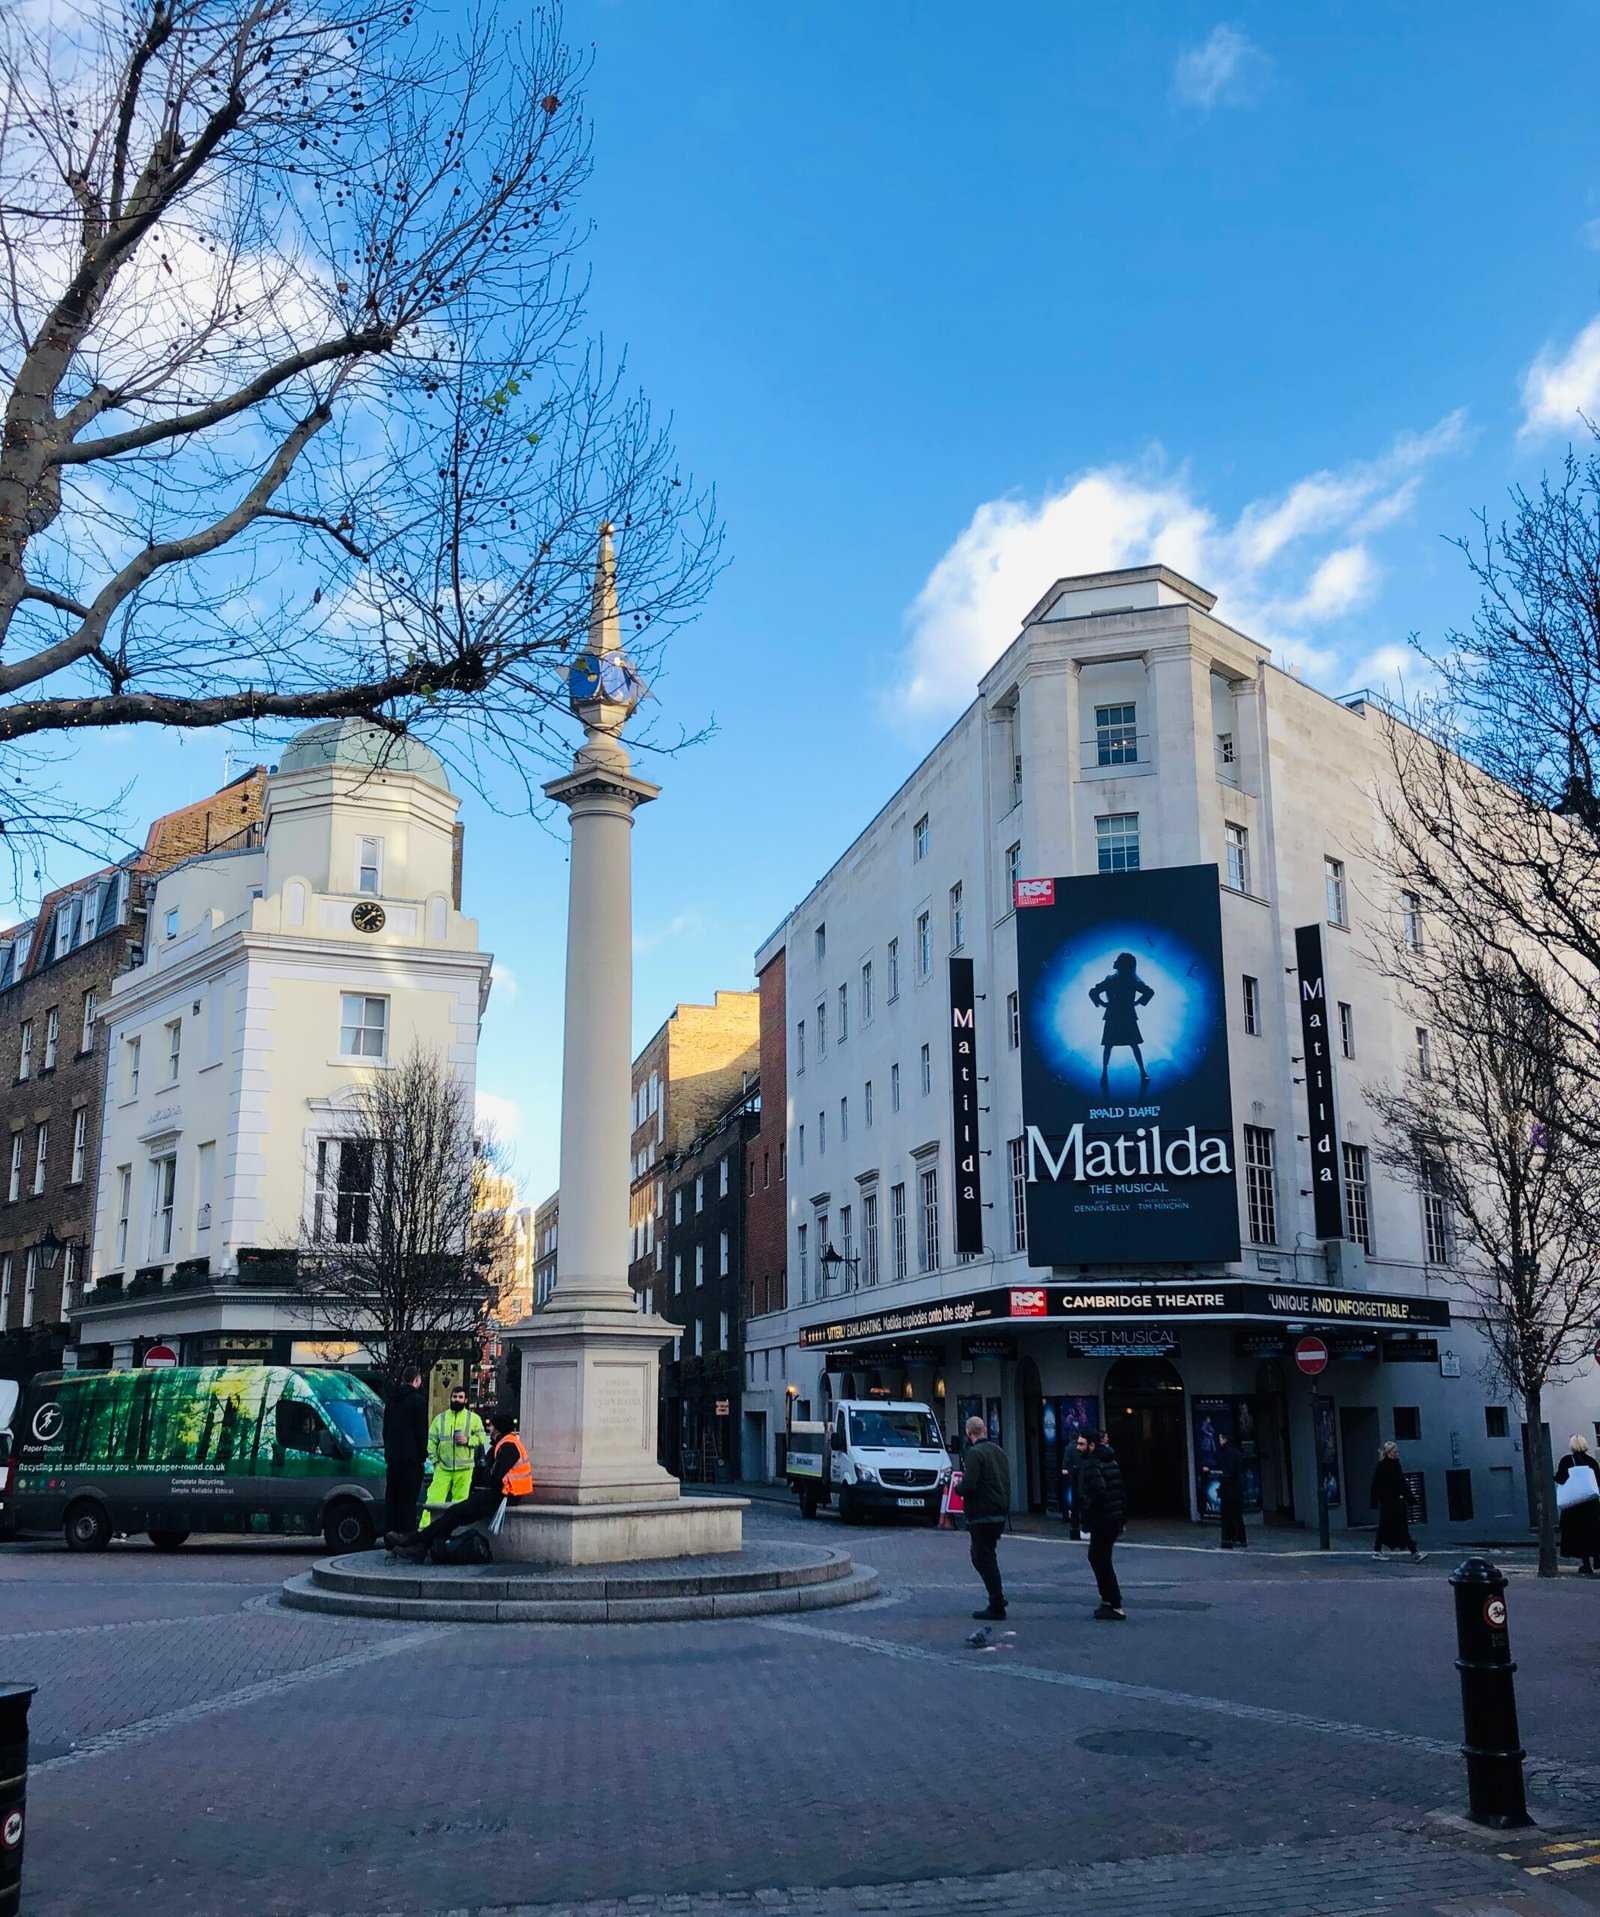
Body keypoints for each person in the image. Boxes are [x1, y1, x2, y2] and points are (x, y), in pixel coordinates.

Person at [386, 1406, 532, 1562]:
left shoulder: (508, 1446)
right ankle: (421, 1544)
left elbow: (492, 1477)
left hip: (504, 1495)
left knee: (456, 1513)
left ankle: (417, 1540)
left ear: (499, 1430)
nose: (490, 1428)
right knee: (455, 1513)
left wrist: (484, 1472)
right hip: (504, 1493)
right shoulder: (506, 1443)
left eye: (492, 1426)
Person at [960, 1414, 1011, 1621]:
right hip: (998, 1512)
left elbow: (969, 1484)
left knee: (983, 1557)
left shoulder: (975, 1453)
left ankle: (996, 1602)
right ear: (985, 1431)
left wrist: (957, 1488)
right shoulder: (998, 1451)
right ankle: (997, 1596)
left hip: (982, 1513)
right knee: (984, 1556)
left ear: (968, 1433)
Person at [421, 1385, 488, 1531]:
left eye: (460, 1397)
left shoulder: (473, 1419)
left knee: (460, 1504)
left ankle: (457, 1532)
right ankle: (424, 1531)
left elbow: (482, 1438)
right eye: (454, 1397)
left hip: (464, 1470)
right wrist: (435, 1462)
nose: (456, 1400)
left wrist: (468, 1440)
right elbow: (431, 1442)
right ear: (450, 1398)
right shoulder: (440, 1418)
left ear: (465, 1400)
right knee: (433, 1501)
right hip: (443, 1468)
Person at [1074, 1431, 1126, 1619]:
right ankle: (1107, 1600)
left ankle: (1114, 1603)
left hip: (1102, 1519)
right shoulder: (1110, 1460)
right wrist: (1122, 1519)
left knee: (1100, 1559)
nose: (1078, 1448)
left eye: (1082, 1444)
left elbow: (1099, 1491)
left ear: (1092, 1445)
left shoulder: (1092, 1464)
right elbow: (1120, 1490)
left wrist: (1085, 1508)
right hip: (1113, 1517)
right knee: (1100, 1558)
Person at [1088, 950, 1155, 1095]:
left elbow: (1093, 992)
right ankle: (1138, 1071)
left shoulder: (1118, 980)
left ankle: (1107, 1073)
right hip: (1123, 1016)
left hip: (1116, 1015)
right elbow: (1149, 992)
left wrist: (1102, 1003)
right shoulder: (1127, 980)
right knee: (1126, 1045)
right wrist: (1136, 1003)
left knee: (1112, 1045)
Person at [382, 1364, 429, 1538]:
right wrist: (421, 1455)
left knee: (392, 1502)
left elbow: (385, 1430)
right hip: (412, 1462)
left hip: (393, 1461)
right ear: (416, 1380)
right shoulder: (419, 1402)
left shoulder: (392, 1401)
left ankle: (390, 1539)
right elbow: (421, 1433)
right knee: (408, 1504)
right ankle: (405, 1540)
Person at [1370, 1441, 1426, 1562]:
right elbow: (1376, 1484)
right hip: (1387, 1501)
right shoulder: (1383, 1466)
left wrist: (1409, 1498)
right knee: (1397, 1526)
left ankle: (1377, 1550)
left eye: (1397, 1452)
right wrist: (1375, 1501)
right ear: (1389, 1452)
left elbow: (1401, 1484)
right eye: (1395, 1452)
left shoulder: (1395, 1465)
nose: (1397, 1454)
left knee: (1387, 1525)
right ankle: (1414, 1552)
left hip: (1394, 1500)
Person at [1555, 1434, 1600, 1575]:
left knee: (1578, 1535)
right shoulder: (1592, 1462)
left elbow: (1560, 1479)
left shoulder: (1567, 1460)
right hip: (1591, 1504)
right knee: (1592, 1532)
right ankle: (1596, 1556)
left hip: (1574, 1505)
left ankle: (1586, 1563)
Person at [1217, 1432, 1247, 1549]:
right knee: (1237, 1515)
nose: (1219, 1441)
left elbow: (1228, 1472)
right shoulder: (1236, 1452)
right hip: (1237, 1489)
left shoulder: (1227, 1453)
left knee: (1228, 1515)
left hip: (1230, 1490)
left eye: (1220, 1439)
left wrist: (1221, 1479)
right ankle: (1240, 1538)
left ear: (1225, 1439)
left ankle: (1232, 1538)